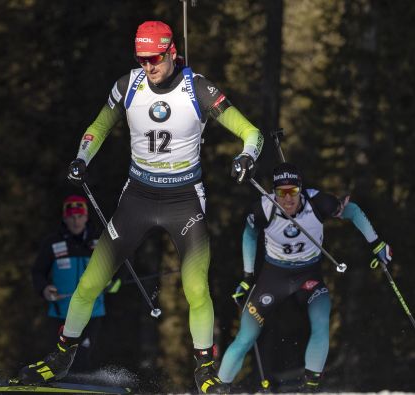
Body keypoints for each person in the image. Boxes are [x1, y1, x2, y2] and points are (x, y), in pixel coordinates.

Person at [19, 20, 263, 394]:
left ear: (172, 53)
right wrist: (82, 157)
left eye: (155, 59)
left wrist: (246, 156)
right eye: (142, 59)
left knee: (196, 287)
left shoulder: (197, 87)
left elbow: (252, 133)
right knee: (89, 284)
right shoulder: (127, 85)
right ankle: (61, 358)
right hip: (138, 198)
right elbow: (97, 127)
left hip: (184, 200)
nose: (149, 67)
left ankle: (204, 370)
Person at [217, 162, 393, 391]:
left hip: (308, 275)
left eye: (293, 191)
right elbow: (249, 235)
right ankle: (218, 388)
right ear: (274, 192)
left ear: (301, 190)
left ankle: (310, 387)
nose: (288, 199)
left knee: (321, 322)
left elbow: (353, 211)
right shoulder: (263, 208)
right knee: (246, 336)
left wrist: (377, 243)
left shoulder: (319, 202)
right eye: (281, 192)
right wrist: (247, 277)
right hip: (274, 276)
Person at [31, 195, 119, 372]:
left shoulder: (100, 240)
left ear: (86, 217)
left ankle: (82, 387)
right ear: (65, 218)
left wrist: (113, 282)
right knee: (60, 359)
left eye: (79, 216)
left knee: (81, 357)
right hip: (60, 313)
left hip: (91, 313)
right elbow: (38, 272)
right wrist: (45, 289)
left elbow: (120, 263)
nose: (76, 221)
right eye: (71, 217)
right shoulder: (53, 242)